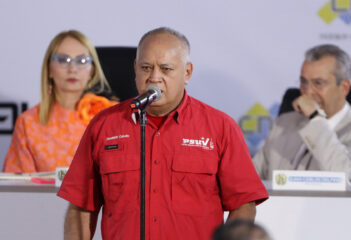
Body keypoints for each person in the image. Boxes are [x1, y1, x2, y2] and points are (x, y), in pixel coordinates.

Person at [57, 27, 268, 240]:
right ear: (135, 69)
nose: (154, 77)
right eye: (146, 68)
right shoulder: (104, 125)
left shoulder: (220, 127)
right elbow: (81, 206)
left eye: (166, 69)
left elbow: (243, 205)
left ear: (187, 73)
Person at [252, 44, 351, 181]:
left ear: (344, 88)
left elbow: (344, 175)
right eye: (303, 82)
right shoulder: (285, 123)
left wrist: (315, 118)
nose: (308, 92)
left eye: (318, 83)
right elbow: (249, 177)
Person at [2, 30, 116, 173]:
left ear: (92, 71)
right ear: (49, 69)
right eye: (63, 60)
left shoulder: (111, 117)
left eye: (81, 61)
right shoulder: (28, 123)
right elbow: (19, 187)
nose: (72, 69)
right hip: (42, 196)